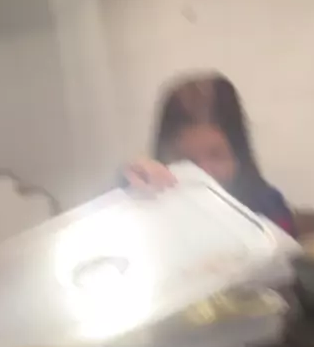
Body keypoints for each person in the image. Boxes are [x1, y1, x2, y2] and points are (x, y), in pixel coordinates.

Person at [124, 73, 296, 236]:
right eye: (186, 160)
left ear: (238, 156)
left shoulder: (269, 207)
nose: (204, 171)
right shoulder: (151, 203)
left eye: (216, 155)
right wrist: (133, 183)